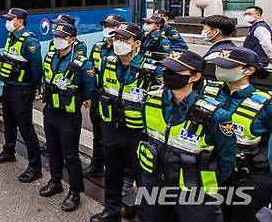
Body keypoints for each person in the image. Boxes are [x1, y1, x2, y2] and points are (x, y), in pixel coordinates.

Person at [138, 49, 236, 222]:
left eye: (175, 71)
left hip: (194, 192)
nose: (167, 74)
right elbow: (147, 136)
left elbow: (226, 161)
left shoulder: (216, 115)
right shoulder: (150, 100)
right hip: (154, 184)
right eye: (166, 69)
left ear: (195, 77)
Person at [90, 22, 163, 222]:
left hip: (137, 134)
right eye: (117, 38)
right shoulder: (108, 62)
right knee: (112, 173)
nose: (118, 43)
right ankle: (111, 212)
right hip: (111, 128)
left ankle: (142, 215)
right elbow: (100, 89)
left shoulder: (150, 70)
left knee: (143, 179)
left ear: (137, 43)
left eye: (124, 39)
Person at [202, 47, 272, 222]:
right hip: (212, 171)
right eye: (219, 65)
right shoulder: (208, 91)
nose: (220, 69)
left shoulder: (265, 103)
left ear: (248, 70)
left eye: (227, 66)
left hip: (249, 177)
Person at [39, 23, 96, 212]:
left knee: (71, 155)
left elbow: (89, 89)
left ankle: (75, 192)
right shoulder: (50, 57)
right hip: (50, 112)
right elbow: (44, 79)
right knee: (53, 150)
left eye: (61, 37)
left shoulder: (82, 64)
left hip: (69, 116)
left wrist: (82, 98)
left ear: (71, 40)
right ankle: (55, 181)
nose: (56, 39)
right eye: (55, 36)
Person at [0, 8, 43, 183]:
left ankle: (35, 167)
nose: (7, 22)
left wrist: (33, 87)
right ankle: (9, 151)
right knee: (9, 122)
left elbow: (37, 68)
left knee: (26, 128)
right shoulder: (11, 37)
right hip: (8, 88)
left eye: (10, 19)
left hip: (22, 90)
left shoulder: (30, 42)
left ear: (20, 21)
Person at [84, 13, 125, 178]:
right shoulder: (97, 47)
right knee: (97, 134)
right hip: (97, 98)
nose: (107, 29)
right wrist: (87, 94)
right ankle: (96, 164)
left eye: (112, 26)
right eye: (105, 26)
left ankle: (118, 173)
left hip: (115, 101)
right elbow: (89, 72)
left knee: (115, 139)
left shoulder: (123, 50)